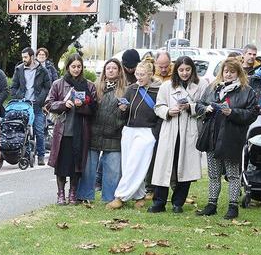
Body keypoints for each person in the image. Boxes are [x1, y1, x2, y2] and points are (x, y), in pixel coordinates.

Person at [198, 57, 257, 219]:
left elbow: (252, 114)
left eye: (232, 72)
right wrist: (206, 108)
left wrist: (233, 113)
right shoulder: (213, 88)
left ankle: (233, 206)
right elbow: (199, 104)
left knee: (232, 174)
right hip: (212, 135)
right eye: (226, 71)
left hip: (232, 137)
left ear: (238, 73)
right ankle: (211, 204)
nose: (228, 75)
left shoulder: (247, 91)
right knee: (213, 173)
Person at [152, 55, 208, 213]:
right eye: (181, 70)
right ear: (176, 70)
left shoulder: (201, 85)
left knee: (185, 167)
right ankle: (159, 202)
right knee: (164, 166)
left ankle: (178, 202)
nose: (184, 73)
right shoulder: (166, 86)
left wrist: (190, 107)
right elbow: (158, 107)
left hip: (189, 129)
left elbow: (205, 107)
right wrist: (169, 111)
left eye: (188, 69)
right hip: (170, 128)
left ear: (193, 70)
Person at [113, 59, 161, 208]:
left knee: (136, 163)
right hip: (129, 130)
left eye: (142, 75)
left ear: (150, 74)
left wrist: (155, 133)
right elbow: (122, 114)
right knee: (129, 165)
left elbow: (160, 114)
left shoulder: (158, 91)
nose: (139, 77)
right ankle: (139, 196)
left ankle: (120, 196)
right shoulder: (131, 89)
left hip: (147, 131)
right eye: (137, 74)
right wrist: (122, 109)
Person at [45, 57, 92, 205]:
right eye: (73, 66)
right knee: (61, 165)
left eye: (79, 66)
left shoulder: (88, 85)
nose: (76, 69)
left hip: (80, 131)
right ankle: (60, 194)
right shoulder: (58, 84)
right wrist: (64, 104)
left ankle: (73, 193)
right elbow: (48, 104)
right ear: (68, 67)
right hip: (62, 131)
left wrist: (82, 106)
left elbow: (94, 108)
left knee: (76, 166)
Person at [81, 59, 127, 205]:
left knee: (112, 170)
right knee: (88, 167)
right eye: (108, 68)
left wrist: (123, 112)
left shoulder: (126, 90)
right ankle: (84, 195)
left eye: (114, 68)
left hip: (114, 134)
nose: (111, 70)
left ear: (119, 71)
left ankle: (110, 198)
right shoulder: (95, 87)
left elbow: (128, 114)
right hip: (94, 132)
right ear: (104, 71)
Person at [10, 50, 52, 167]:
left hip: (36, 105)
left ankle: (41, 156)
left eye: (26, 57)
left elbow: (47, 87)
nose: (24, 59)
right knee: (23, 130)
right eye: (22, 57)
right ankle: (26, 154)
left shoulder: (42, 70)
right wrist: (18, 96)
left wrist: (40, 100)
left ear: (32, 57)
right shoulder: (19, 69)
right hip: (23, 105)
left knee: (39, 130)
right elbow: (13, 86)